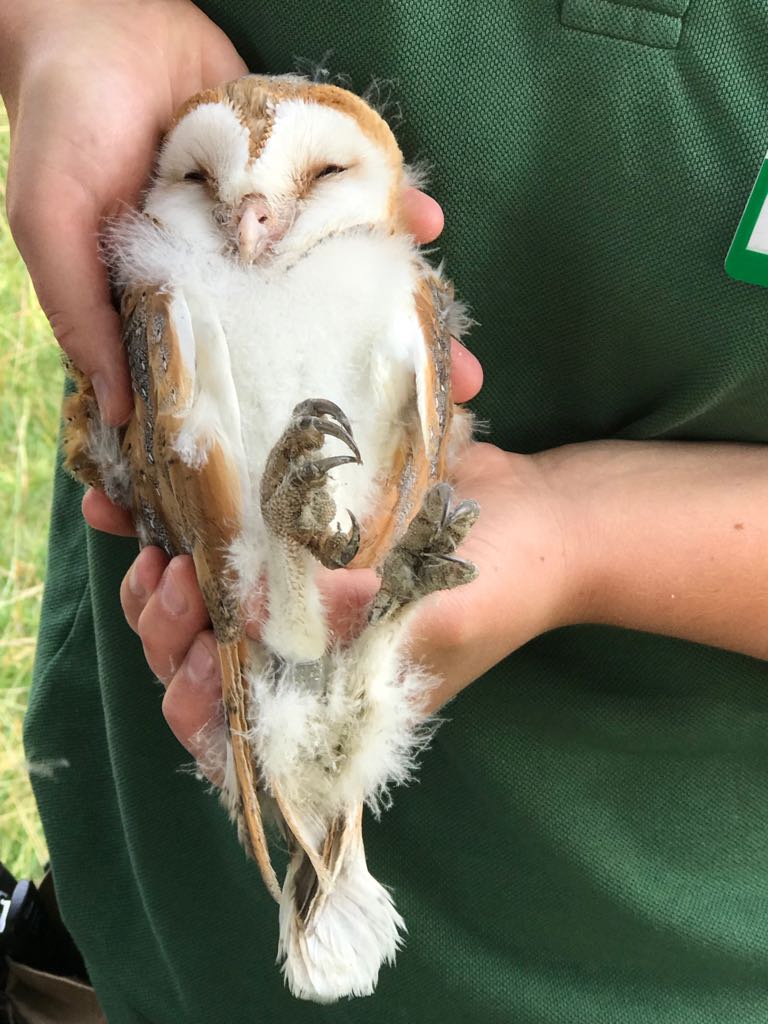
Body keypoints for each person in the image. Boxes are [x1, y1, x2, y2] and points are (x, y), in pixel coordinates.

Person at [3, 1, 768, 1021]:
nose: (253, 221)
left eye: (312, 182)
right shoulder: (195, 278)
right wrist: (66, 19)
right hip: (149, 909)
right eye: (206, 184)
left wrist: (579, 538)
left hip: (656, 946)